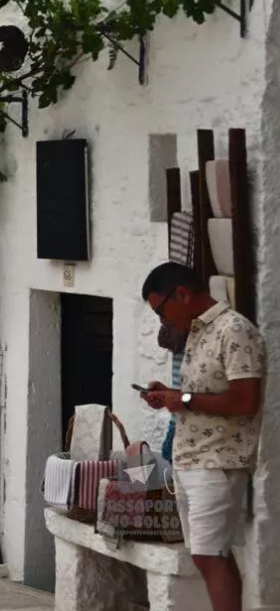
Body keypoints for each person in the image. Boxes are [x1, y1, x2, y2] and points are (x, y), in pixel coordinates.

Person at [141, 262, 266, 611]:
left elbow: (246, 400)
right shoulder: (198, 331)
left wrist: (181, 399)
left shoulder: (235, 330)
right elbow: (204, 395)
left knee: (210, 556)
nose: (163, 322)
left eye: (161, 311)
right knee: (211, 556)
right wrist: (171, 395)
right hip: (191, 458)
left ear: (182, 294)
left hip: (218, 462)